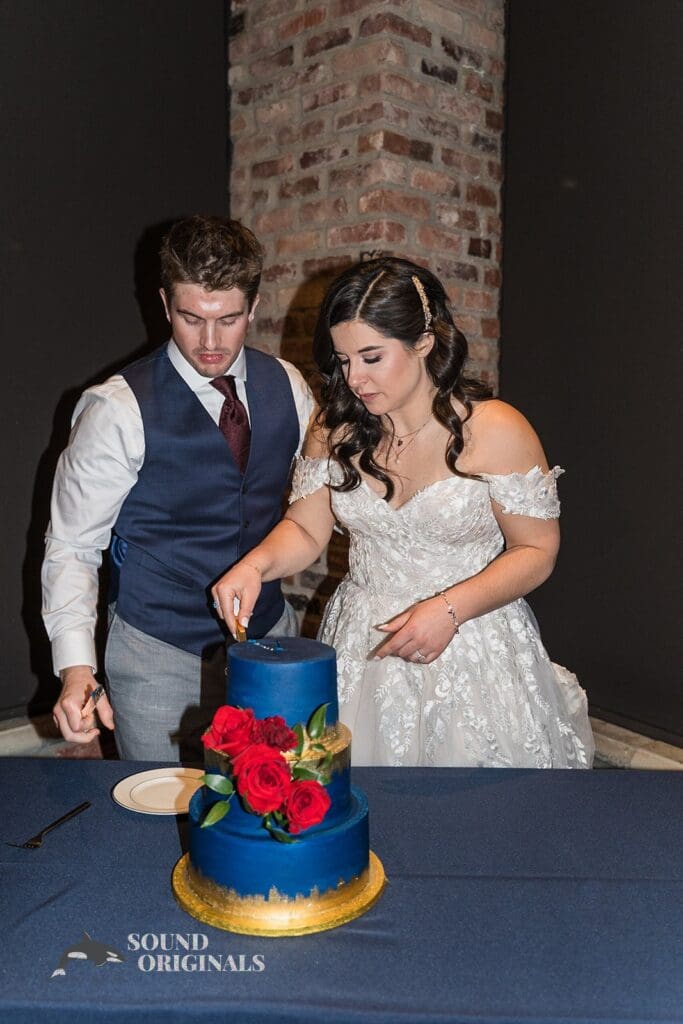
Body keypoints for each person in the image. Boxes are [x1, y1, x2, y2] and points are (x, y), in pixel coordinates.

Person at [212, 256, 594, 768]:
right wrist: (254, 565)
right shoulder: (334, 429)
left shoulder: (496, 429)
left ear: (425, 342)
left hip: (471, 642)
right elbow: (304, 528)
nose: (355, 378)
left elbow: (538, 549)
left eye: (371, 357)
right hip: (363, 642)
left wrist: (451, 608)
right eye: (344, 361)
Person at [42, 215, 314, 760]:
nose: (210, 342)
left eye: (228, 319)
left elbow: (318, 504)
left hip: (269, 643)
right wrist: (75, 668)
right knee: (160, 803)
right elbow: (72, 545)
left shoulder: (288, 385)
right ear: (166, 305)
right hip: (155, 652)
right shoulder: (116, 408)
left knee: (276, 795)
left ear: (254, 307)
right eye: (192, 318)